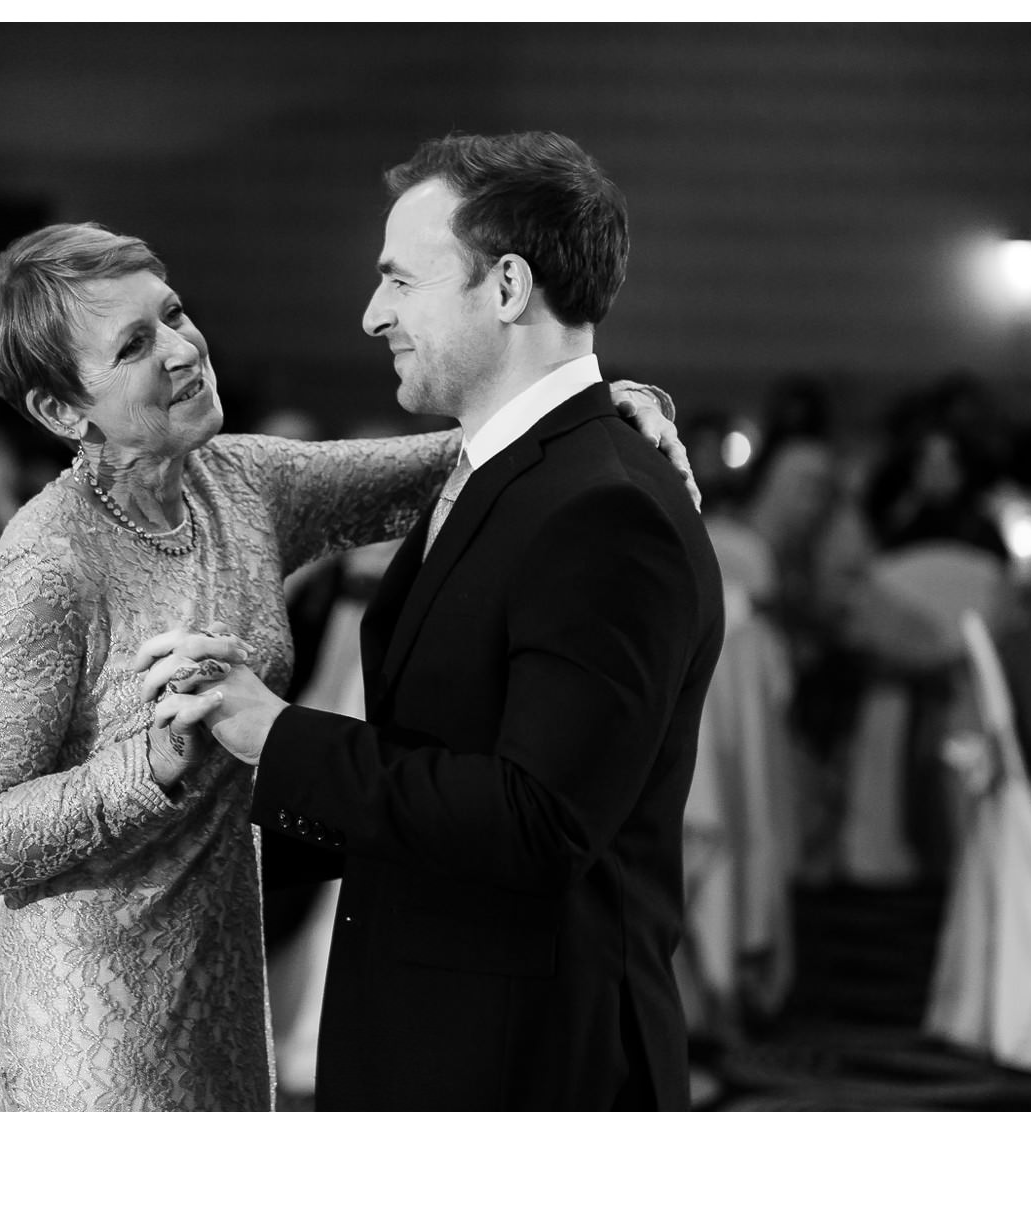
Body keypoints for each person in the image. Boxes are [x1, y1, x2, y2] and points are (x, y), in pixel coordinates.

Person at [0, 221, 691, 1111]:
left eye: (173, 313)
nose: (183, 349)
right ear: (63, 412)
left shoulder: (237, 481)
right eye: (135, 345)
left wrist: (614, 403)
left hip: (220, 978)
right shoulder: (47, 565)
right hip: (89, 1007)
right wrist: (150, 768)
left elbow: (453, 462)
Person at [160, 131, 724, 1110]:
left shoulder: (603, 506)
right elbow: (434, 753)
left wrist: (279, 736)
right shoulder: (499, 470)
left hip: (528, 1065)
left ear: (505, 288)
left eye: (398, 281)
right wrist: (207, 837)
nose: (371, 314)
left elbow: (536, 819)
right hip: (440, 1024)